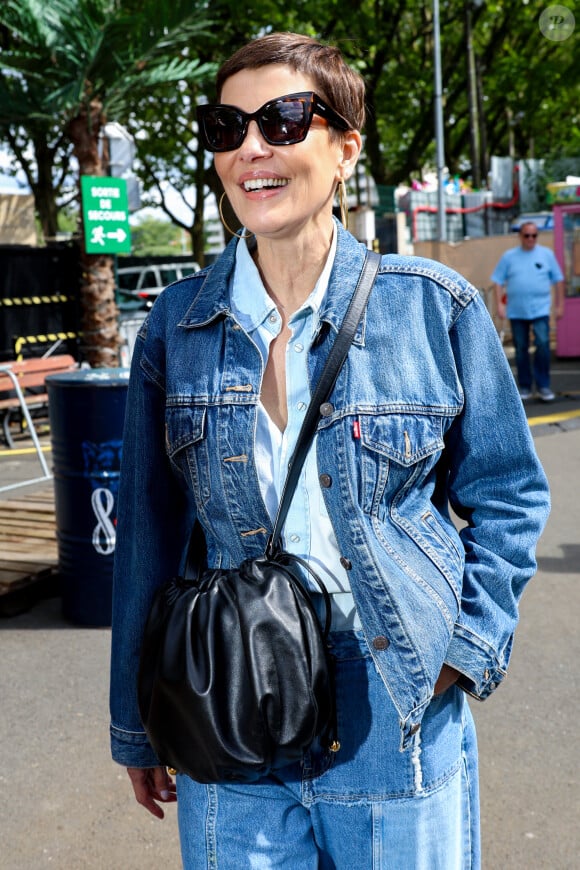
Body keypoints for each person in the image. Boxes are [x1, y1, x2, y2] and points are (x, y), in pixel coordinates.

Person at [110, 32, 550, 869]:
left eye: (281, 122)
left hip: (395, 698)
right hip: (224, 700)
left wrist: (462, 653)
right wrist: (134, 722)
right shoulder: (175, 326)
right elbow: (149, 538)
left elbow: (508, 493)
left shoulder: (433, 309)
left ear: (345, 147)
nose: (251, 149)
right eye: (227, 126)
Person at [492, 221, 565, 401]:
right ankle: (524, 386)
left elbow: (559, 279)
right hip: (517, 310)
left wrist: (560, 304)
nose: (530, 239)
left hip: (540, 309)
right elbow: (497, 281)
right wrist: (500, 305)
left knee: (542, 345)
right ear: (520, 236)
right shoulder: (509, 257)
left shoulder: (546, 254)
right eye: (527, 235)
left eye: (534, 235)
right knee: (521, 348)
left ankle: (543, 385)